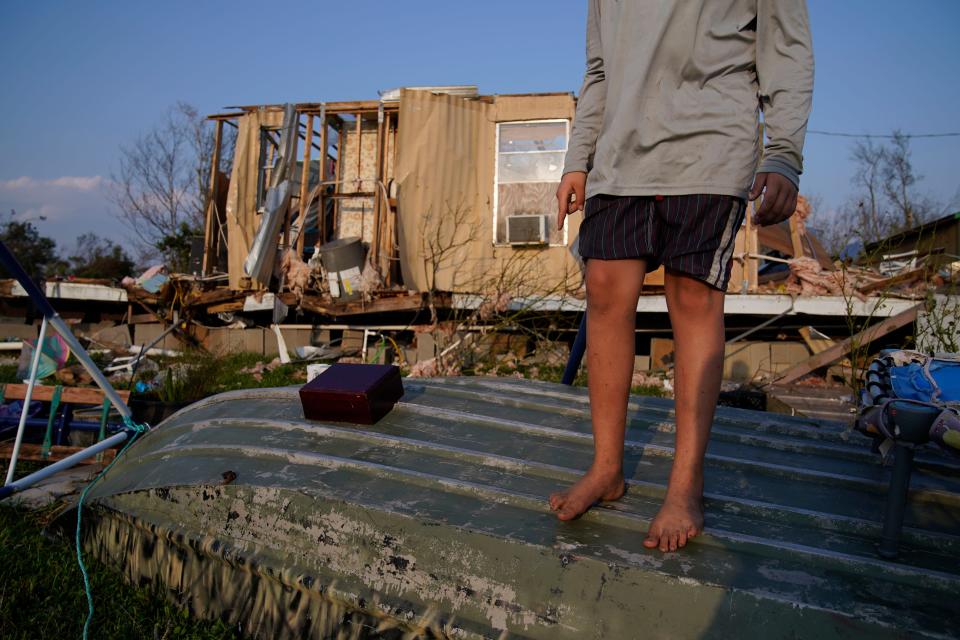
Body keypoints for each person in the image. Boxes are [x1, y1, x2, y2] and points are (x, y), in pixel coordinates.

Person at [552, 0, 814, 552]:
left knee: (693, 300)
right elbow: (600, 69)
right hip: (621, 154)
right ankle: (607, 468)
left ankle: (686, 483)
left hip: (711, 144)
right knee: (603, 289)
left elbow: (786, 48)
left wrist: (783, 153)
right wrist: (579, 158)